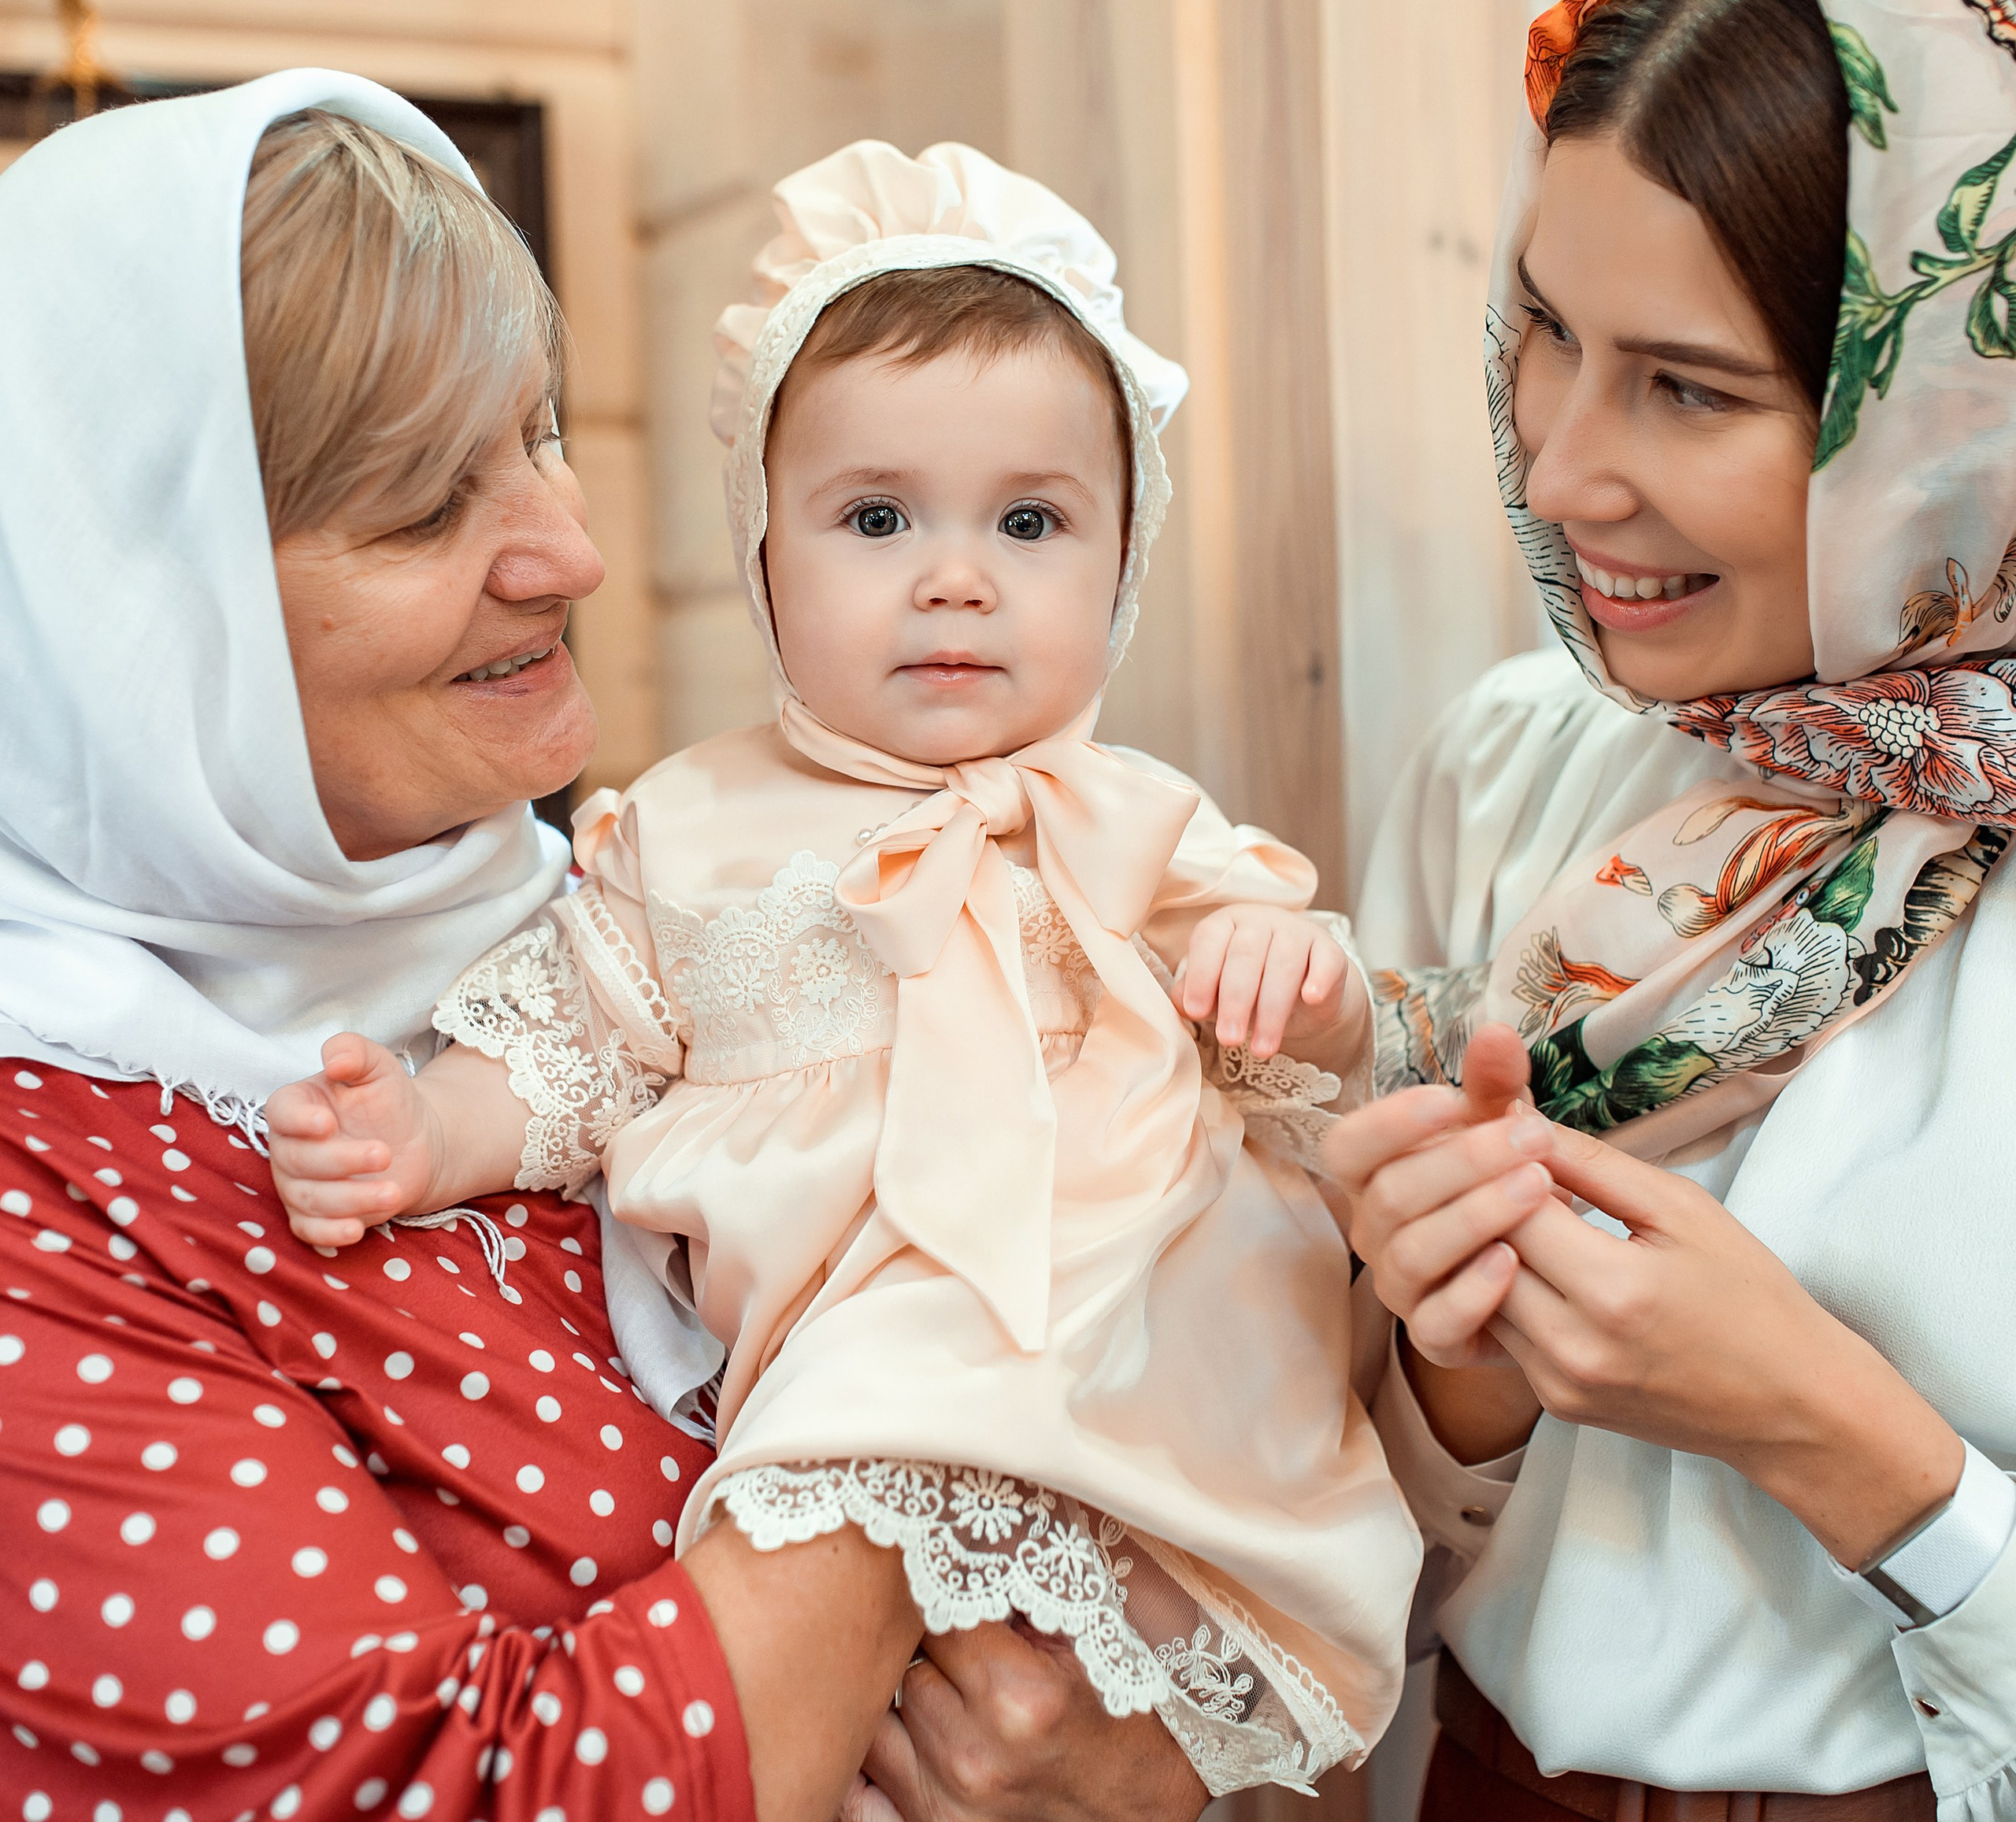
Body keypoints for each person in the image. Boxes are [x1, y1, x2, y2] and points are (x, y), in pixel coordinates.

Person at [0, 71, 1215, 1822]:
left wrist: (1141, 1735)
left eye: (544, 427)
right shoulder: (50, 1204)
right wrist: (949, 1388)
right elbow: (485, 1794)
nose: (568, 549)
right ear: (141, 618)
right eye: (428, 504)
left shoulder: (637, 909)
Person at [261, 138, 1424, 1800]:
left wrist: (1289, 976)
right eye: (876, 516)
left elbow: (1310, 1061)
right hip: (867, 1393)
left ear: (1121, 563)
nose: (955, 575)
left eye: (1030, 521)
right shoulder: (684, 827)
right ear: (763, 555)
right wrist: (424, 1135)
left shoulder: (1148, 824)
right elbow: (578, 1047)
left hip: (1157, 1392)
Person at [1326, 0, 2016, 1822]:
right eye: (1545, 331)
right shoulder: (1516, 768)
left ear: (1954, 413)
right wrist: (1451, 1373)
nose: (1556, 468)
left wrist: (1832, 1432)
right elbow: (1356, 1536)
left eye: (1688, 388)